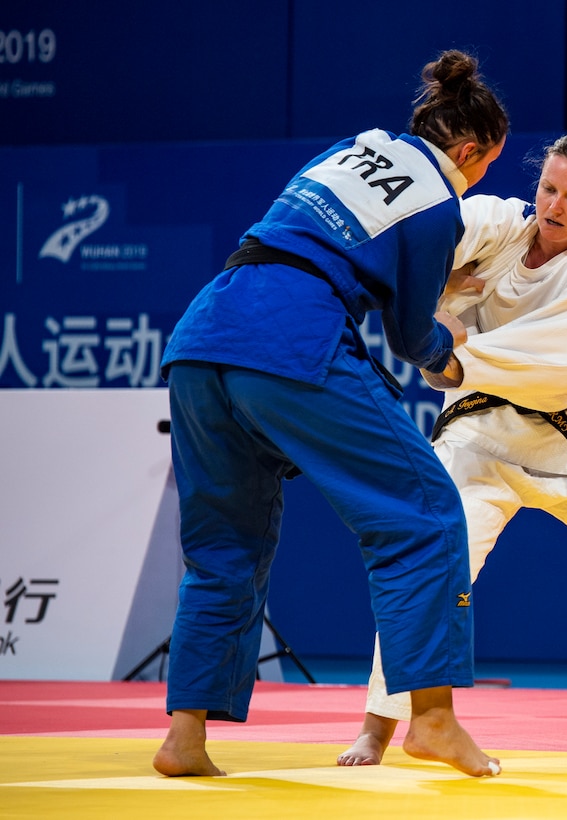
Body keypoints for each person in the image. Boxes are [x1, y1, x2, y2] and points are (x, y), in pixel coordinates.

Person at [152, 50, 510, 779]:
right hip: (288, 341)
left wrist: (432, 274)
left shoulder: (349, 151)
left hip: (202, 334)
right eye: (485, 167)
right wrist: (454, 354)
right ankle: (433, 719)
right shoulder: (439, 201)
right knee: (425, 512)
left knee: (223, 546)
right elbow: (411, 338)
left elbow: (330, 247)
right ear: (468, 150)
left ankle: (184, 737)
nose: (479, 181)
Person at [338, 128, 567, 768]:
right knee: (435, 561)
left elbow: (552, 364)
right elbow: (427, 233)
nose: (552, 206)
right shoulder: (498, 223)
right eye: (547, 187)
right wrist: (432, 280)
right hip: (478, 438)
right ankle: (380, 722)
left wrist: (446, 349)